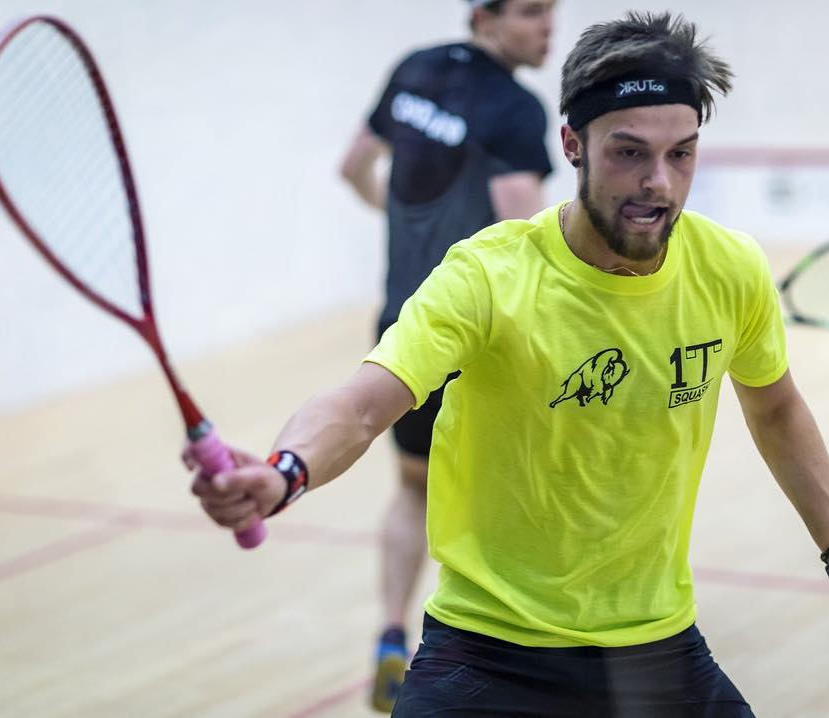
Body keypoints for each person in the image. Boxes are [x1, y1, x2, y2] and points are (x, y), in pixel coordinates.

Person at [191, 11, 829, 716]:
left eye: (681, 154)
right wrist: (286, 471)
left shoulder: (729, 268)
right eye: (629, 152)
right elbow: (362, 404)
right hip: (484, 655)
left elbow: (775, 408)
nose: (659, 184)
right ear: (573, 143)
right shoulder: (488, 274)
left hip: (657, 646)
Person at [336, 0, 555, 709]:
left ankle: (393, 637)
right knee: (514, 500)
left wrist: (403, 225)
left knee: (412, 488)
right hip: (481, 338)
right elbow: (523, 235)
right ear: (484, 17)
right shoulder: (516, 110)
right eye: (529, 13)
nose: (546, 28)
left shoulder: (415, 69)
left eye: (550, 13)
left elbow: (353, 168)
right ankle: (498, 659)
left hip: (402, 322)